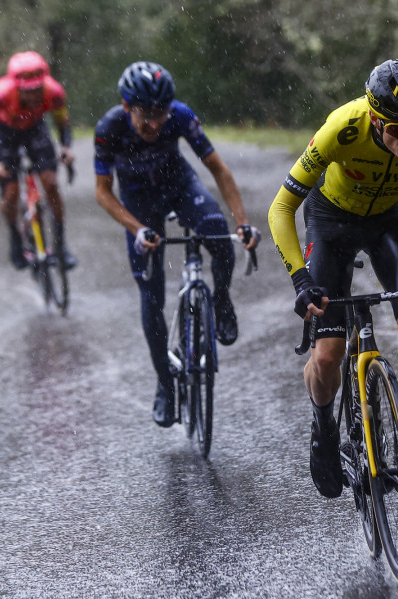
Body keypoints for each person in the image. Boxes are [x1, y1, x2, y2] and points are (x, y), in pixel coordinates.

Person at [268, 58, 398, 501]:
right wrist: (301, 279)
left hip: (391, 219)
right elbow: (281, 208)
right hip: (330, 220)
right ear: (375, 118)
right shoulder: (343, 127)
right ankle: (324, 430)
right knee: (329, 354)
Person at [94, 61, 261, 427]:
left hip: (179, 187)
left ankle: (221, 300)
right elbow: (103, 193)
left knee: (217, 232)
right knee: (151, 297)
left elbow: (218, 169)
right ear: (127, 107)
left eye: (161, 113)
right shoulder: (109, 128)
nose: (155, 124)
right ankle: (165, 385)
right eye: (146, 116)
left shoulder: (180, 116)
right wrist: (137, 228)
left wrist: (242, 222)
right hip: (139, 206)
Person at [0, 50, 76, 270]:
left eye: (39, 88)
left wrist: (66, 148)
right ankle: (15, 241)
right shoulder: (0, 95)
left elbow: (62, 123)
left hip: (36, 129)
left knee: (51, 184)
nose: (36, 95)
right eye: (29, 91)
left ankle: (61, 244)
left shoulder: (54, 92)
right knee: (10, 195)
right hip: (5, 134)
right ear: (17, 87)